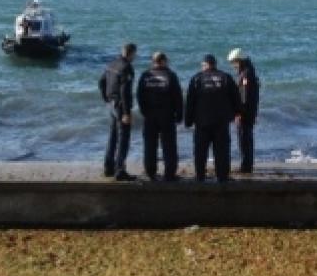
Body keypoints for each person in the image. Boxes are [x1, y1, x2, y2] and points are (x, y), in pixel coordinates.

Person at [185, 54, 241, 182]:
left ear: (204, 65)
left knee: (200, 151)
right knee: (222, 151)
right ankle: (222, 176)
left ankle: (200, 176)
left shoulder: (196, 79)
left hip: (202, 122)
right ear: (215, 65)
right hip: (221, 122)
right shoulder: (226, 78)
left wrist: (188, 120)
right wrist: (237, 113)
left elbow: (190, 102)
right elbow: (236, 97)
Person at [136, 51, 184, 182]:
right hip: (166, 115)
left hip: (150, 115)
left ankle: (150, 172)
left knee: (150, 145)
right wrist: (179, 114)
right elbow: (177, 96)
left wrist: (144, 111)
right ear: (163, 61)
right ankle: (169, 173)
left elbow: (139, 95)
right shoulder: (170, 75)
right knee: (169, 145)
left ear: (153, 61)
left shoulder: (146, 76)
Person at [97, 43, 138, 181]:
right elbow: (125, 91)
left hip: (111, 105)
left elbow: (101, 81)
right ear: (131, 53)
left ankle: (108, 167)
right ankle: (120, 170)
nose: (134, 57)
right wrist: (127, 112)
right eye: (134, 54)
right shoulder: (127, 68)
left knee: (113, 137)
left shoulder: (111, 63)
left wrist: (106, 98)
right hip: (120, 106)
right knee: (123, 139)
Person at [227, 48, 260, 174]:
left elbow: (244, 96)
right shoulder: (248, 71)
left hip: (245, 113)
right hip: (249, 111)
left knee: (244, 139)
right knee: (246, 138)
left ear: (238, 60)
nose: (233, 65)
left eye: (233, 62)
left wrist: (239, 112)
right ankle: (247, 164)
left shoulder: (245, 74)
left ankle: (246, 166)